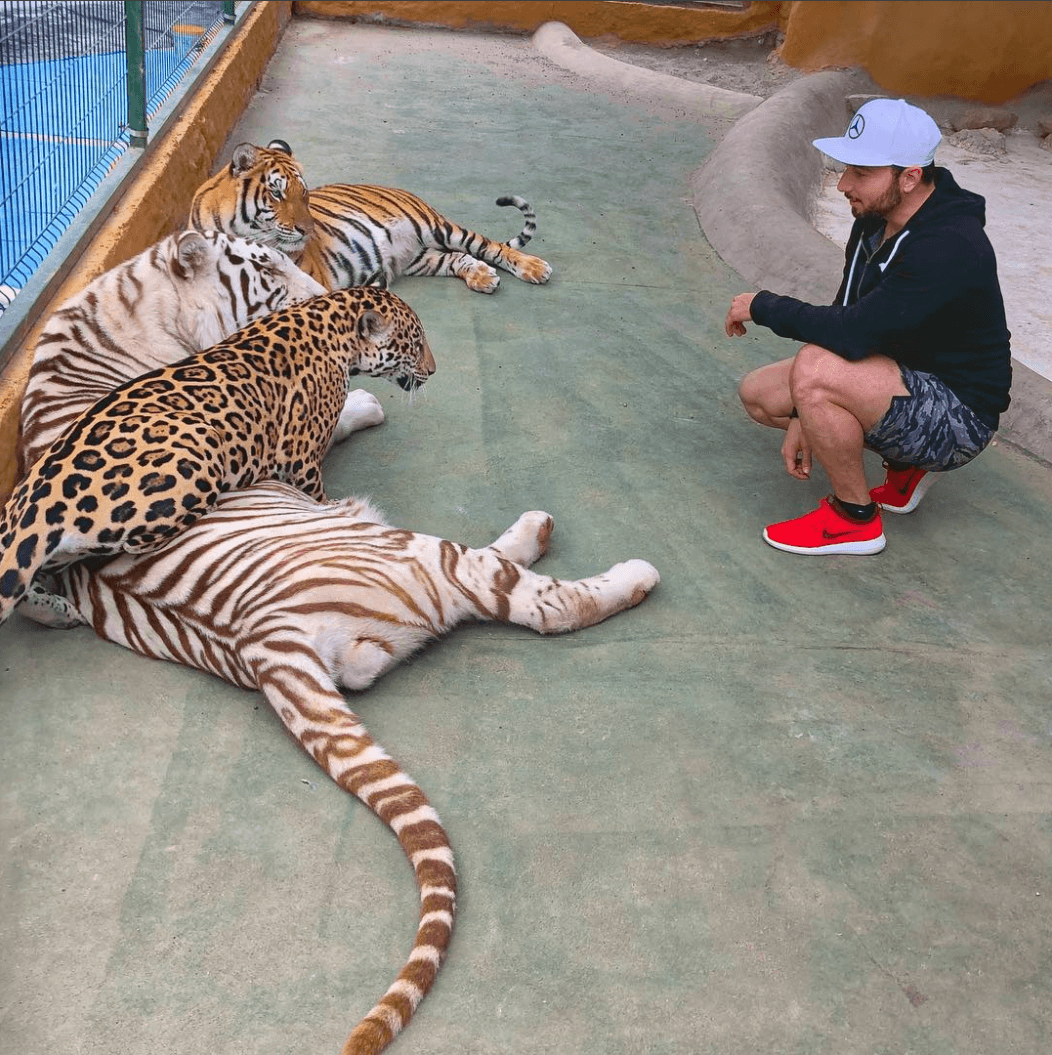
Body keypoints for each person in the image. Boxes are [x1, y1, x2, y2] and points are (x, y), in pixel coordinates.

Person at [726, 97, 1012, 556]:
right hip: (901, 374)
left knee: (816, 370)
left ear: (910, 176)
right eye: (846, 169)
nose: (843, 184)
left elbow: (852, 334)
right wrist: (804, 411)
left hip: (960, 414)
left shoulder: (950, 245)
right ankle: (904, 471)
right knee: (760, 394)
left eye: (860, 172)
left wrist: (764, 307)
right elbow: (847, 312)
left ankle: (853, 520)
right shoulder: (874, 220)